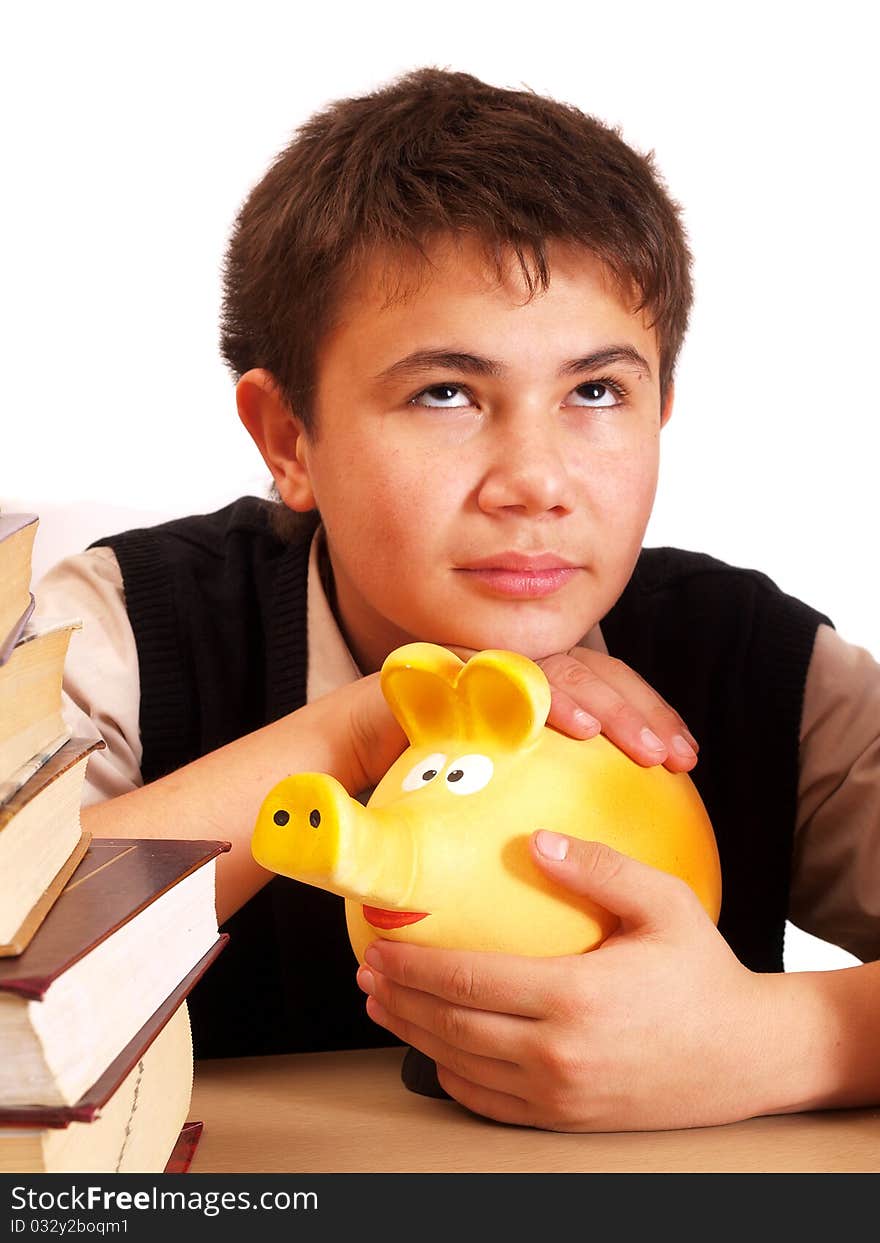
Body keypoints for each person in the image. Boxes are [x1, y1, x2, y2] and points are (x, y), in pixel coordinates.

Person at [35, 67, 880, 1133]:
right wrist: (368, 722)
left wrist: (795, 1038)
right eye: (445, 393)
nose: (535, 479)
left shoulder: (764, 668)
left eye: (595, 392)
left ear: (663, 407)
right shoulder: (129, 628)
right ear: (287, 438)